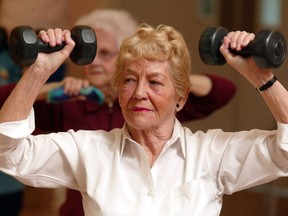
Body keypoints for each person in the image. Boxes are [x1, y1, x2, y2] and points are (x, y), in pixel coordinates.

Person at [0, 23, 288, 216]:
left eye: (155, 82)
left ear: (182, 98)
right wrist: (38, 72)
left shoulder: (212, 153)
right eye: (128, 80)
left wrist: (262, 78)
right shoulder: (88, 149)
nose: (139, 93)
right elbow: (8, 153)